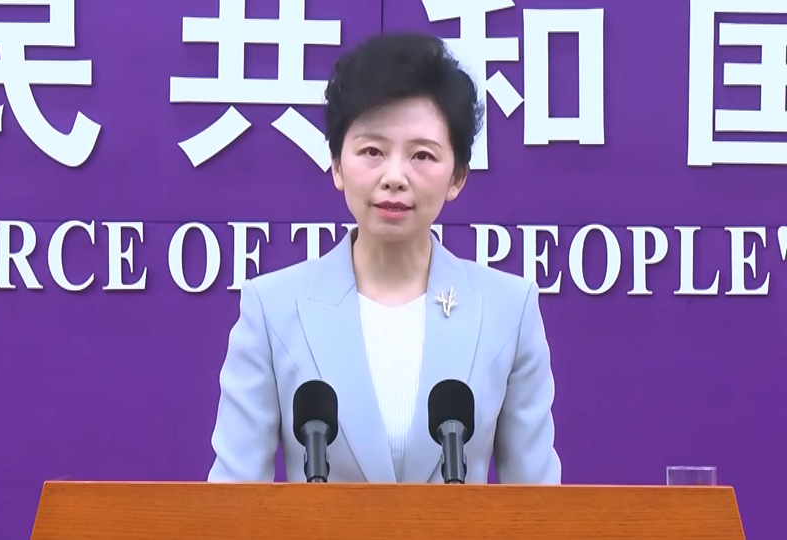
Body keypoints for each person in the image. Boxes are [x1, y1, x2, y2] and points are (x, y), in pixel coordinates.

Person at [206, 32, 561, 484]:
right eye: (372, 151)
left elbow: (537, 503)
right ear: (337, 165)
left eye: (422, 155)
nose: (395, 176)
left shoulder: (509, 309)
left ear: (457, 177)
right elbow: (233, 499)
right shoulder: (272, 308)